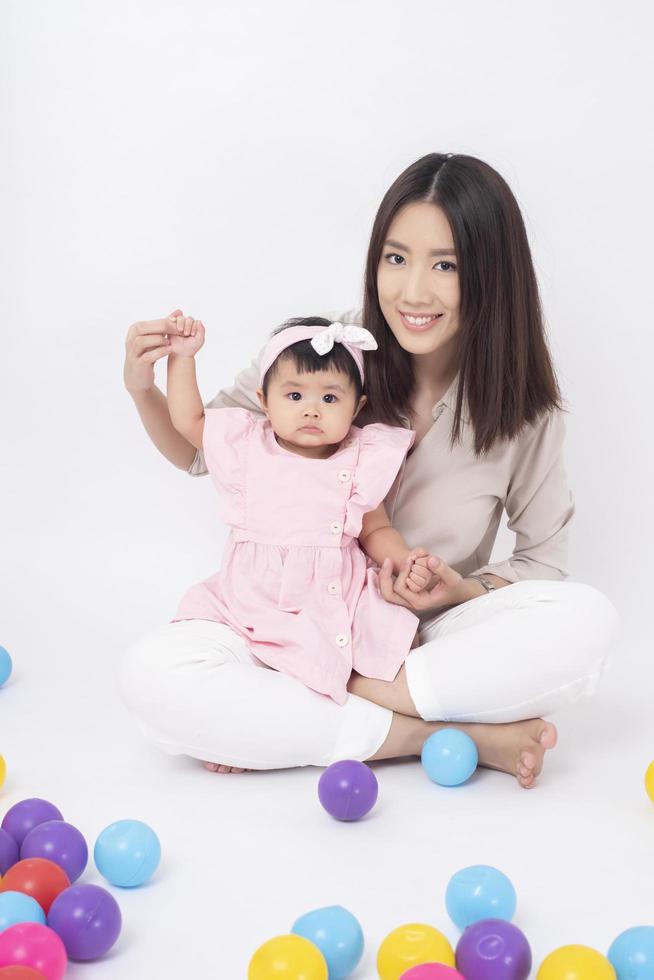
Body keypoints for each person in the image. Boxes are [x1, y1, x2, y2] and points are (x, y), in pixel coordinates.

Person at [118, 152, 620, 789]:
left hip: (413, 637)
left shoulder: (525, 410)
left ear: (492, 275)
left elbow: (544, 564)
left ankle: (316, 711)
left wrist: (456, 591)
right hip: (279, 621)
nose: (413, 291)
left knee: (587, 620)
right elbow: (199, 447)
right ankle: (442, 735)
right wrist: (143, 388)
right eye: (395, 257)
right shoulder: (331, 353)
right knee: (150, 675)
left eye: (446, 265)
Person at [166, 313, 434, 706]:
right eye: (295, 396)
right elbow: (188, 419)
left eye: (329, 398)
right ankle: (238, 720)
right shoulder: (246, 446)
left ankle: (364, 701)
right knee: (217, 658)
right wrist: (183, 358)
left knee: (400, 638)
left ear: (357, 407)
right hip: (257, 592)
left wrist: (405, 562)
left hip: (337, 590)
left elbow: (376, 530)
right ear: (264, 401)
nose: (312, 410)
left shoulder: (359, 460)